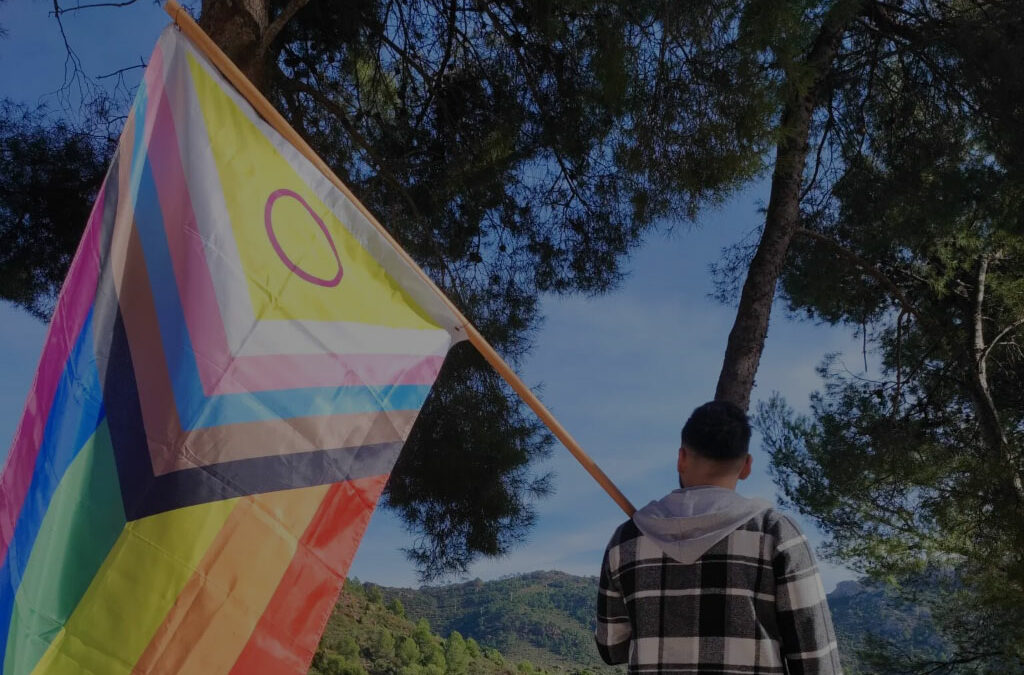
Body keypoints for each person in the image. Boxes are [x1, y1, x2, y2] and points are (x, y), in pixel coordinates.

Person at [595, 400, 842, 674]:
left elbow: (612, 648)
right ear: (746, 466)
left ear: (681, 458)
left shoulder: (626, 539)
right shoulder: (777, 533)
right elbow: (815, 658)